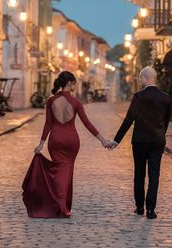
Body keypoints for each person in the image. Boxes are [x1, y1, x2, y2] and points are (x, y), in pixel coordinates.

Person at [22, 71, 114, 218]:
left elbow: (48, 125)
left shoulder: (51, 101)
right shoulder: (76, 102)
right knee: (67, 172)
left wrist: (41, 144)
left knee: (58, 171)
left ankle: (58, 203)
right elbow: (87, 123)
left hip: (56, 140)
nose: (75, 86)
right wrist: (103, 140)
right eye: (74, 83)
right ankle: (62, 206)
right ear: (70, 83)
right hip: (71, 141)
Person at [111, 66, 171, 219]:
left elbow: (129, 119)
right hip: (157, 140)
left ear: (145, 78)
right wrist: (160, 135)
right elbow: (166, 120)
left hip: (140, 140)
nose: (139, 80)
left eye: (140, 78)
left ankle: (139, 207)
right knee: (154, 175)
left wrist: (116, 140)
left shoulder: (138, 97)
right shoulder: (165, 97)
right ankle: (150, 209)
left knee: (139, 173)